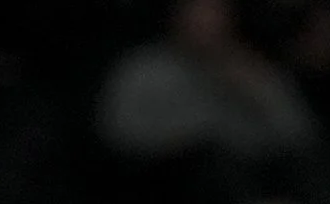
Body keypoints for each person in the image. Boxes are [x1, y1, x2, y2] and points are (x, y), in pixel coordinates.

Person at [96, 0, 318, 165]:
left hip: (252, 180)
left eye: (214, 11)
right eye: (196, 12)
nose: (205, 22)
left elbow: (299, 134)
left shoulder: (249, 67)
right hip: (166, 179)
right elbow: (116, 132)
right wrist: (185, 140)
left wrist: (259, 91)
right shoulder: (145, 69)